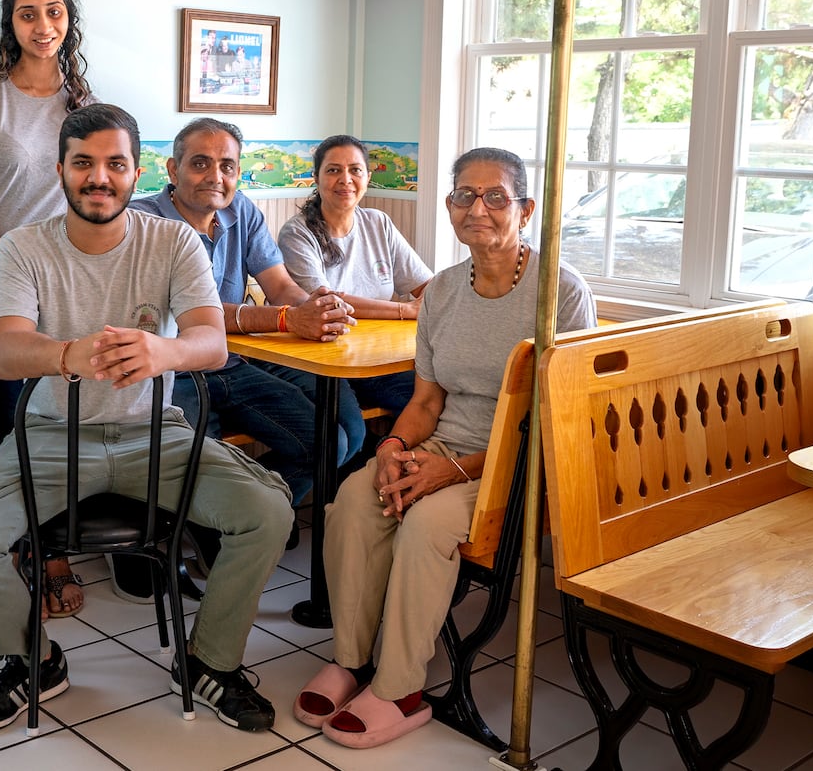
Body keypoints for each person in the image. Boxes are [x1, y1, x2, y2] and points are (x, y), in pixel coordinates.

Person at [0, 104, 293, 735]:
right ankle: (33, 662)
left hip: (159, 438)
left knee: (268, 510)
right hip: (51, 438)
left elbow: (213, 343)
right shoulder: (23, 248)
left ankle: (208, 662)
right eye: (84, 164)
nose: (99, 177)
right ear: (61, 171)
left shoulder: (174, 241)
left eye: (114, 164)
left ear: (135, 172)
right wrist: (69, 353)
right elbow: (6, 352)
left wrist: (164, 352)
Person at [293, 147, 596, 748]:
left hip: (515, 461)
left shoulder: (558, 290)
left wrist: (453, 470)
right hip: (441, 444)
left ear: (526, 209)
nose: (475, 209)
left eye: (494, 198)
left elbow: (556, 418)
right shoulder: (442, 292)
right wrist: (395, 447)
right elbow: (427, 400)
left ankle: (400, 687)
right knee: (356, 499)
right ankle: (352, 660)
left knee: (427, 523)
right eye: (463, 196)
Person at [0, 0, 95, 619]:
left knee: (60, 423)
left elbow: (94, 198)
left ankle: (45, 542)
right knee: (19, 420)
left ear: (69, 21)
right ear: (10, 21)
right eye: (29, 13)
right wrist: (15, 284)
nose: (43, 26)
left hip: (63, 290)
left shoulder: (83, 104)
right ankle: (37, 552)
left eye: (54, 12)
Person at [129, 118, 362, 512]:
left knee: (328, 443)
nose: (215, 177)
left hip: (231, 363)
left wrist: (314, 304)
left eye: (228, 167)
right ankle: (218, 526)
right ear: (173, 169)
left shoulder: (243, 211)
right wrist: (287, 319)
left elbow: (280, 287)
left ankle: (243, 522)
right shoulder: (143, 221)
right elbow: (191, 315)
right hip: (170, 371)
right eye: (200, 163)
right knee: (196, 463)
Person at [278, 134, 432, 425]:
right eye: (333, 170)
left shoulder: (378, 222)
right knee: (354, 428)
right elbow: (327, 304)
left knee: (434, 398)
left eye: (355, 170)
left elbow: (427, 287)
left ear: (368, 177)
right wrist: (406, 310)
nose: (345, 179)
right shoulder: (297, 234)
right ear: (316, 177)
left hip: (379, 355)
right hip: (326, 359)